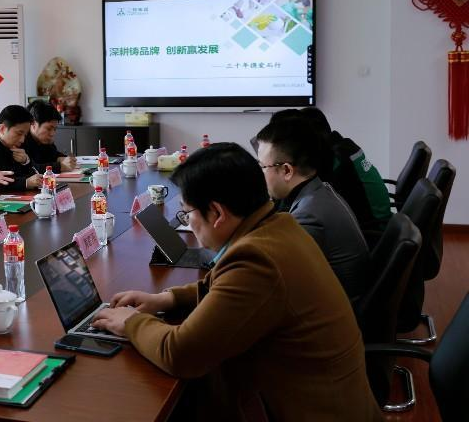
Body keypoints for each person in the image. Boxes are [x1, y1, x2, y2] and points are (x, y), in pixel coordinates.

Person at [92, 143, 382, 421]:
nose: (188, 222)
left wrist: (131, 323)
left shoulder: (256, 260)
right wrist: (169, 298)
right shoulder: (278, 226)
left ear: (217, 213)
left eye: (187, 212)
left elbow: (180, 353)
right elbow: (229, 288)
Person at [255, 118, 370, 302]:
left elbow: (274, 276)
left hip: (338, 310)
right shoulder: (319, 190)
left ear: (287, 171)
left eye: (262, 166)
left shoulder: (308, 216)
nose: (260, 174)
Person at [299, 107, 393, 230]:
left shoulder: (337, 159)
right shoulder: (344, 146)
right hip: (381, 219)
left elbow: (320, 198)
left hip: (373, 228)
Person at [22, 100, 77, 173]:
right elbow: (30, 168)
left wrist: (62, 158)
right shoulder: (21, 140)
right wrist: (60, 166)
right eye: (48, 129)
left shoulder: (44, 140)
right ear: (33, 124)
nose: (52, 133)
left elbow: (53, 154)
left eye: (55, 129)